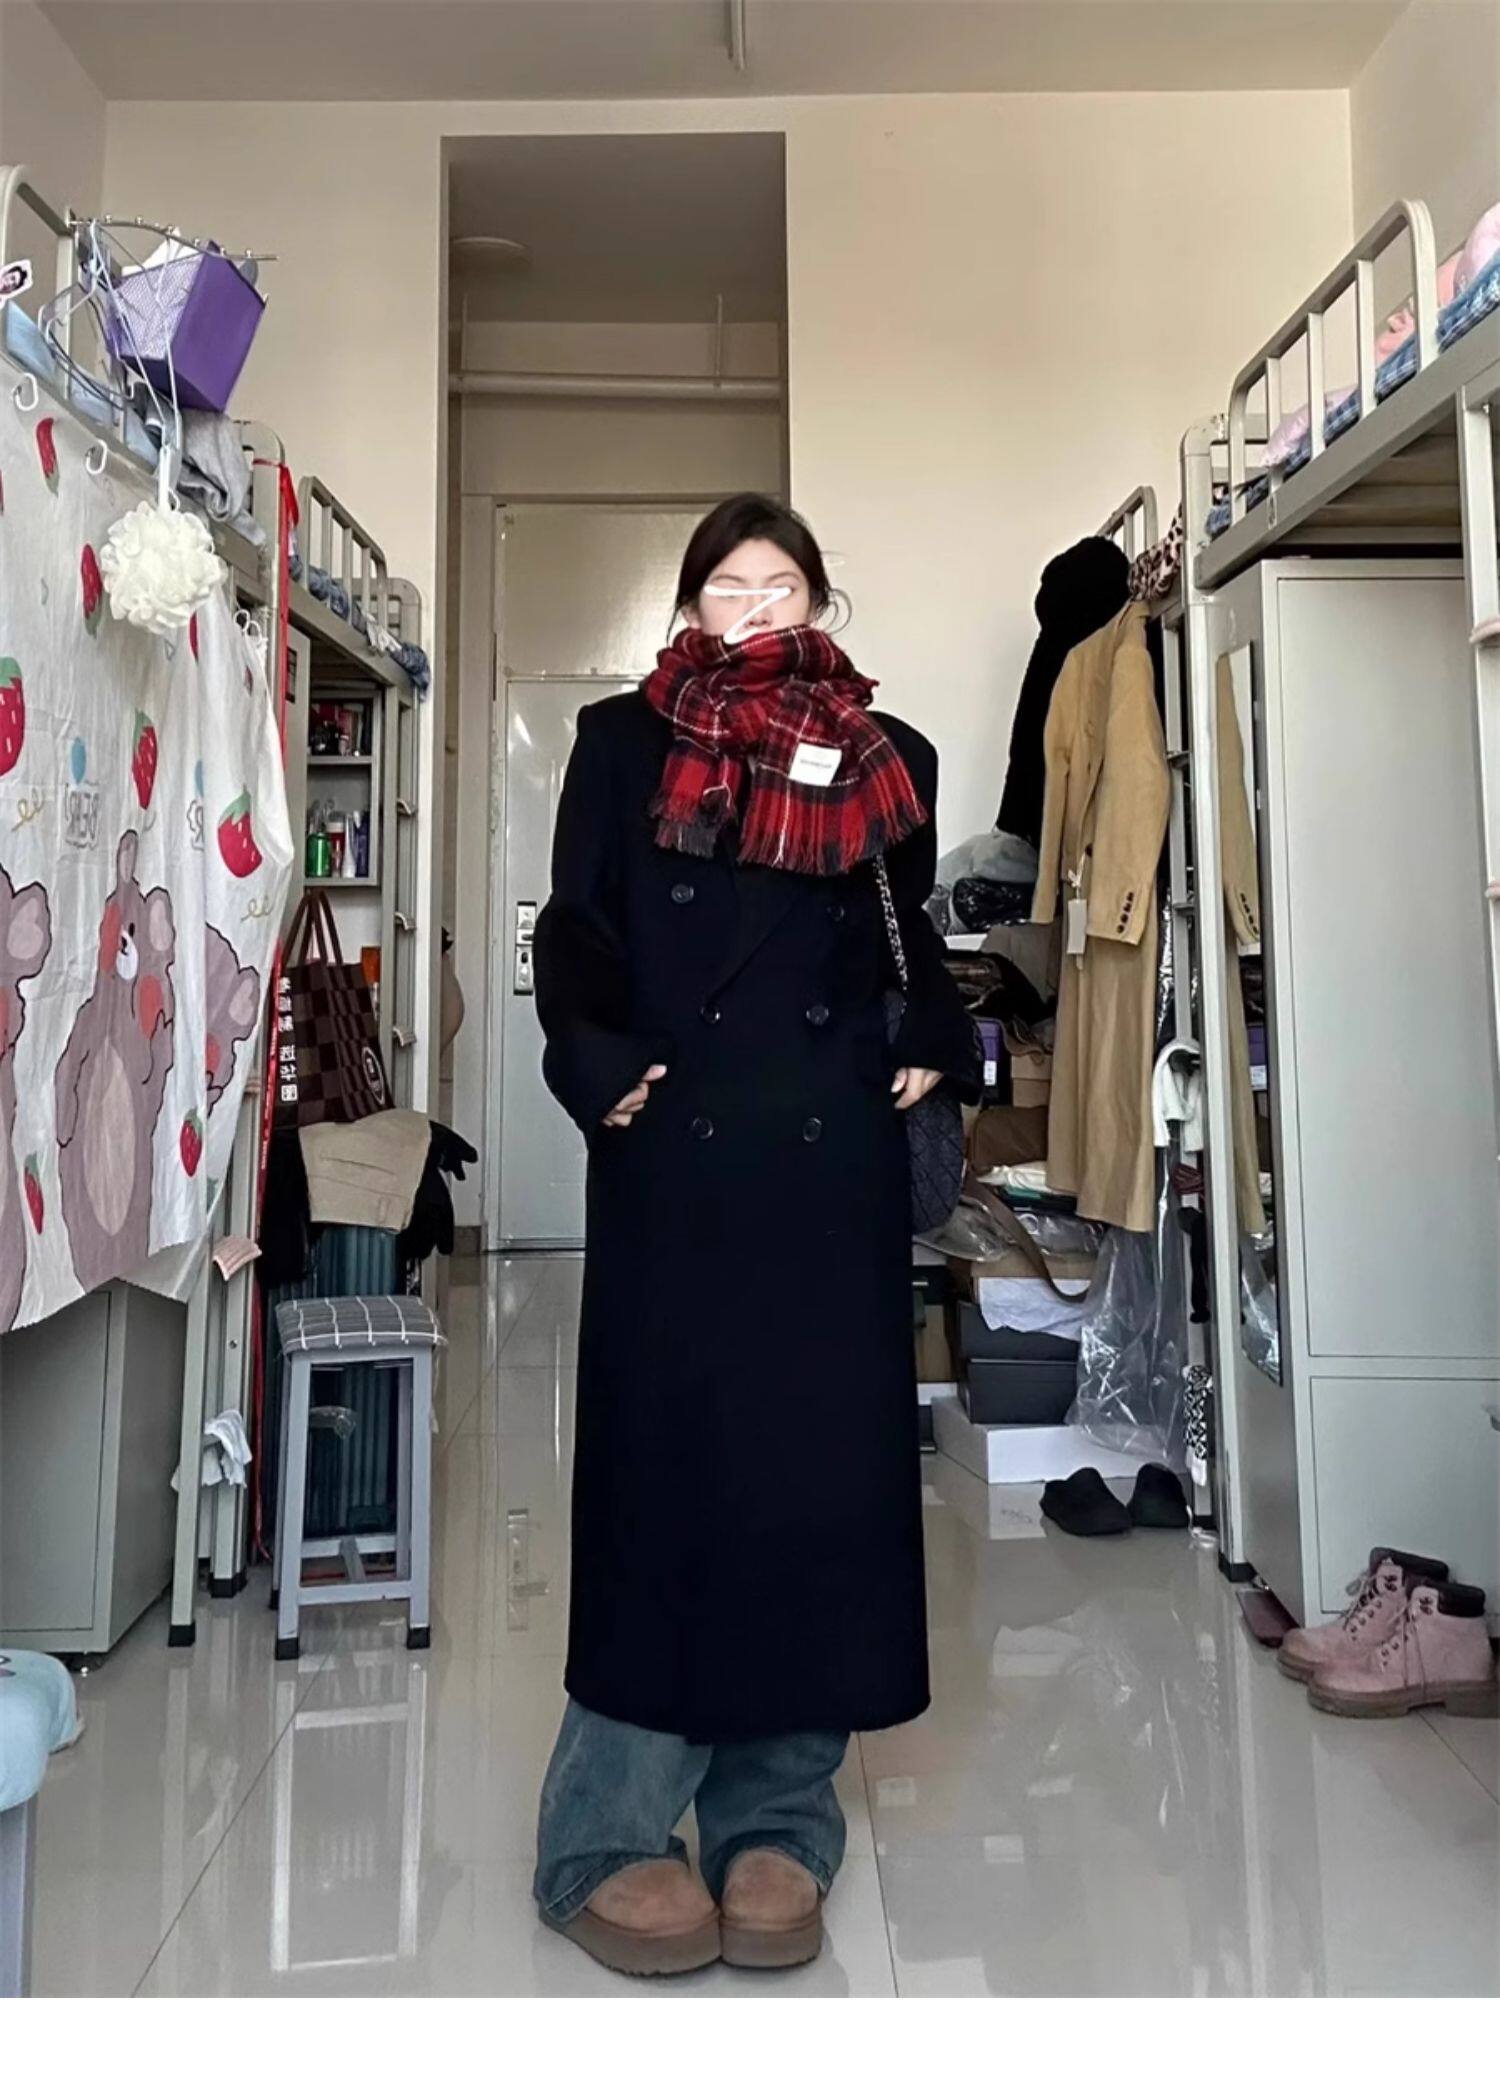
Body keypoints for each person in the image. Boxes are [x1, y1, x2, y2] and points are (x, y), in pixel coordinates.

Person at [530, 493, 979, 1977]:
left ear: (819, 601)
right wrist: (597, 1060)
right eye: (730, 587)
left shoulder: (889, 753)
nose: (756, 609)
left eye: (781, 585)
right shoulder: (620, 741)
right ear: (689, 609)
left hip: (823, 1158)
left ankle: (779, 1816)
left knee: (814, 1487)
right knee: (663, 1481)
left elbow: (908, 934)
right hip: (678, 1147)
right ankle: (603, 1831)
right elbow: (577, 928)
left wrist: (926, 1035)